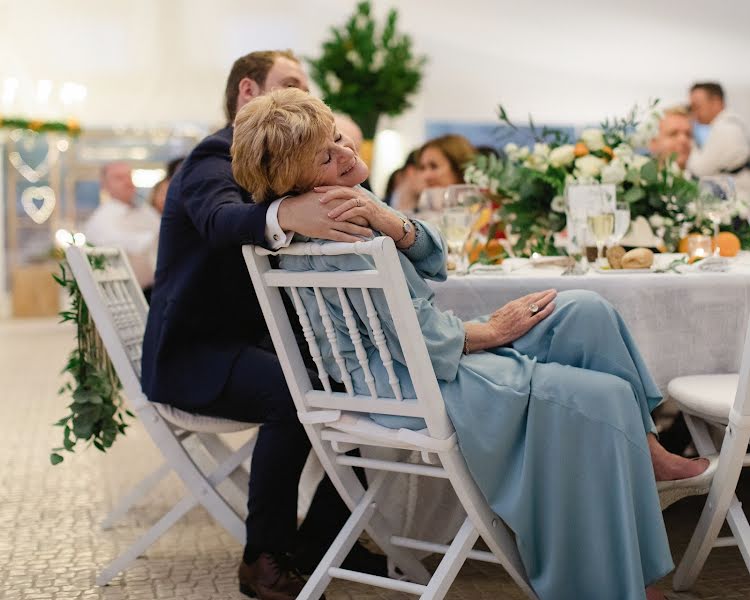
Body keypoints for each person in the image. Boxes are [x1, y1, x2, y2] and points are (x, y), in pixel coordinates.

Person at [231, 88, 716, 600]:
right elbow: (408, 339)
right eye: (326, 157)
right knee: (600, 398)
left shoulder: (355, 202)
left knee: (585, 311)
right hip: (405, 380)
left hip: (426, 349)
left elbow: (436, 261)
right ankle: (618, 586)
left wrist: (392, 222)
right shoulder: (331, 229)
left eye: (337, 137)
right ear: (299, 183)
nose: (347, 153)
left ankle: (647, 449)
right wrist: (492, 333)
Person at [141, 50, 384, 600]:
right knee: (292, 393)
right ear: (248, 93)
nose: (306, 98)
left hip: (252, 343)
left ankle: (325, 538)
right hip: (193, 355)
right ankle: (263, 557)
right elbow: (220, 218)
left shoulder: (287, 163)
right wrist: (284, 217)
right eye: (291, 84)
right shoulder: (212, 156)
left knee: (364, 381)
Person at [83, 161, 161, 296]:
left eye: (129, 176)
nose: (127, 182)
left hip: (156, 289)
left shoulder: (145, 211)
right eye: (119, 178)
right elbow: (138, 244)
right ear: (104, 185)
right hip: (126, 296)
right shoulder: (101, 220)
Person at [688, 82, 750, 201]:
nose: (694, 113)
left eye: (697, 106)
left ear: (716, 102)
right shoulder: (732, 123)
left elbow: (701, 170)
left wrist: (688, 138)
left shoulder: (724, 128)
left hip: (739, 200)